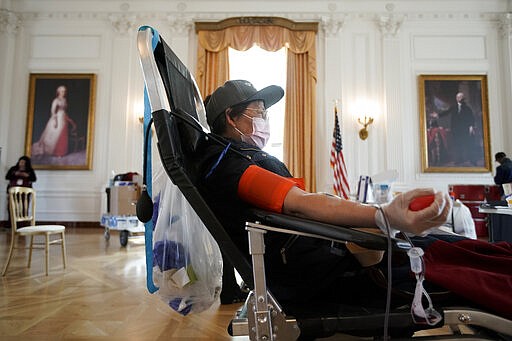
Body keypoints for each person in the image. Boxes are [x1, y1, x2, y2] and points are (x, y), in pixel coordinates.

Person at [197, 80, 512, 319]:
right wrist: (383, 216)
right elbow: (300, 203)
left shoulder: (235, 159)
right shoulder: (231, 166)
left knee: (458, 249)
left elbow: (298, 203)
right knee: (459, 262)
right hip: (329, 274)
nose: (265, 120)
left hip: (329, 258)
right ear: (231, 117)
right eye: (258, 113)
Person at [32, 85, 77, 157]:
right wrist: (55, 121)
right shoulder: (56, 100)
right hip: (57, 118)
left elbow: (64, 111)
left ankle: (61, 152)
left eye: (64, 91)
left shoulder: (64, 100)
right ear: (58, 92)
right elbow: (53, 111)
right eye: (62, 91)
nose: (64, 93)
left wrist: (68, 118)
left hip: (64, 118)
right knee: (55, 135)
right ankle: (56, 152)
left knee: (63, 135)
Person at [438, 92, 476, 165]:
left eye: (459, 97)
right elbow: (446, 112)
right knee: (457, 144)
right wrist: (438, 115)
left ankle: (472, 160)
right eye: (457, 97)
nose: (458, 99)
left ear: (463, 98)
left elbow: (471, 117)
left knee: (467, 144)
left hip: (464, 129)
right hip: (456, 129)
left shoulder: (467, 108)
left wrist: (471, 126)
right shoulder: (454, 107)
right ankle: (459, 159)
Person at [5, 156, 37, 228]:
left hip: (25, 193)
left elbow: (34, 179)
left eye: (23, 162)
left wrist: (26, 175)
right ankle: (11, 223)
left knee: (24, 208)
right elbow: (7, 176)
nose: (21, 164)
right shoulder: (13, 169)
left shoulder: (30, 170)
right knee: (11, 207)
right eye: (21, 162)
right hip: (13, 191)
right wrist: (15, 174)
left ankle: (23, 224)